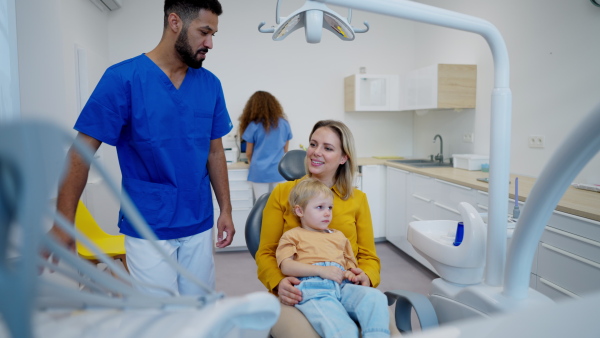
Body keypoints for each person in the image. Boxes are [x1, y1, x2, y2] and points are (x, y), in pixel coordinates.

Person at [46, 0, 234, 296]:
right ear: (175, 23)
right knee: (159, 317)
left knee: (201, 313)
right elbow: (80, 152)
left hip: (198, 220)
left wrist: (226, 208)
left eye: (214, 35)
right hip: (148, 223)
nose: (210, 43)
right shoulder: (122, 79)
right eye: (204, 32)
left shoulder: (210, 85)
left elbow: (215, 152)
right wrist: (63, 221)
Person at [255, 120, 382, 337]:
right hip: (297, 292)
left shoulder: (357, 199)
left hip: (345, 286)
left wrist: (367, 277)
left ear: (344, 158)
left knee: (386, 325)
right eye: (313, 144)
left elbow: (369, 256)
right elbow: (266, 252)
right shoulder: (283, 193)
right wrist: (279, 283)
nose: (316, 152)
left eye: (328, 148)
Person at [277, 178, 390, 338]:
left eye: (330, 207)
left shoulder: (339, 236)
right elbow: (286, 266)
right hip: (314, 289)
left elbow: (351, 267)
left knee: (375, 297)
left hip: (342, 286)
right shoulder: (292, 235)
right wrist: (321, 271)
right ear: (300, 211)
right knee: (344, 329)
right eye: (319, 207)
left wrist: (353, 274)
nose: (327, 213)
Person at [238, 91, 293, 201]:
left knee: (261, 204)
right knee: (280, 204)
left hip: (259, 171)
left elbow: (248, 152)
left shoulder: (254, 126)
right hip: (279, 170)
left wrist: (251, 161)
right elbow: (286, 149)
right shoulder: (284, 123)